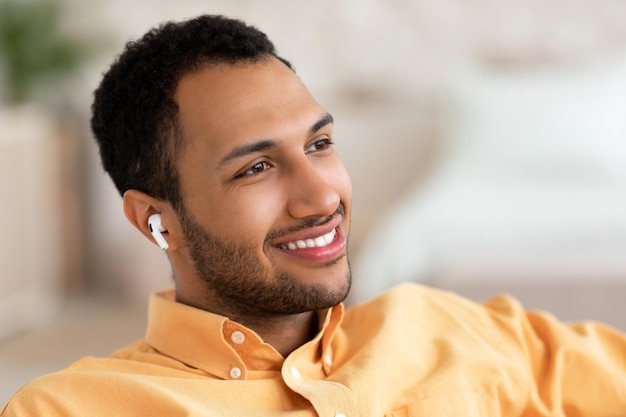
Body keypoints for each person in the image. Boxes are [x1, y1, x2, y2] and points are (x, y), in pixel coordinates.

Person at [2, 14, 626, 417]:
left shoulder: (448, 326)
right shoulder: (68, 408)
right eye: (256, 168)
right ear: (154, 220)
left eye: (320, 145)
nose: (321, 197)